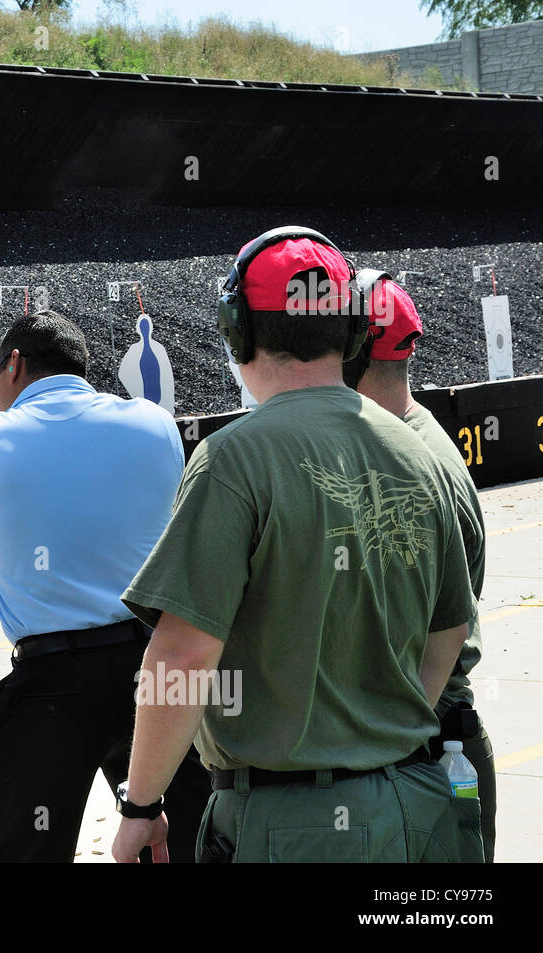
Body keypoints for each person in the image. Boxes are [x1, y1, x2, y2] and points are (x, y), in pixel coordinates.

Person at [111, 226, 479, 863]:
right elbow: (450, 628)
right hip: (420, 807)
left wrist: (141, 805)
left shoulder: (233, 458)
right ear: (355, 334)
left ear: (240, 330)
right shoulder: (419, 454)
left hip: (295, 826)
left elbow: (182, 657)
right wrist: (378, 735)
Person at [0, 310, 211, 863]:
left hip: (54, 682)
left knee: (20, 843)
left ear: (14, 363)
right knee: (194, 842)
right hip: (155, 663)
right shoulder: (154, 425)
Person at [344, 269, 495, 861]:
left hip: (424, 751)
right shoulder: (412, 436)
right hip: (429, 744)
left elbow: (436, 635)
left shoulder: (405, 467)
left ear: (352, 356)